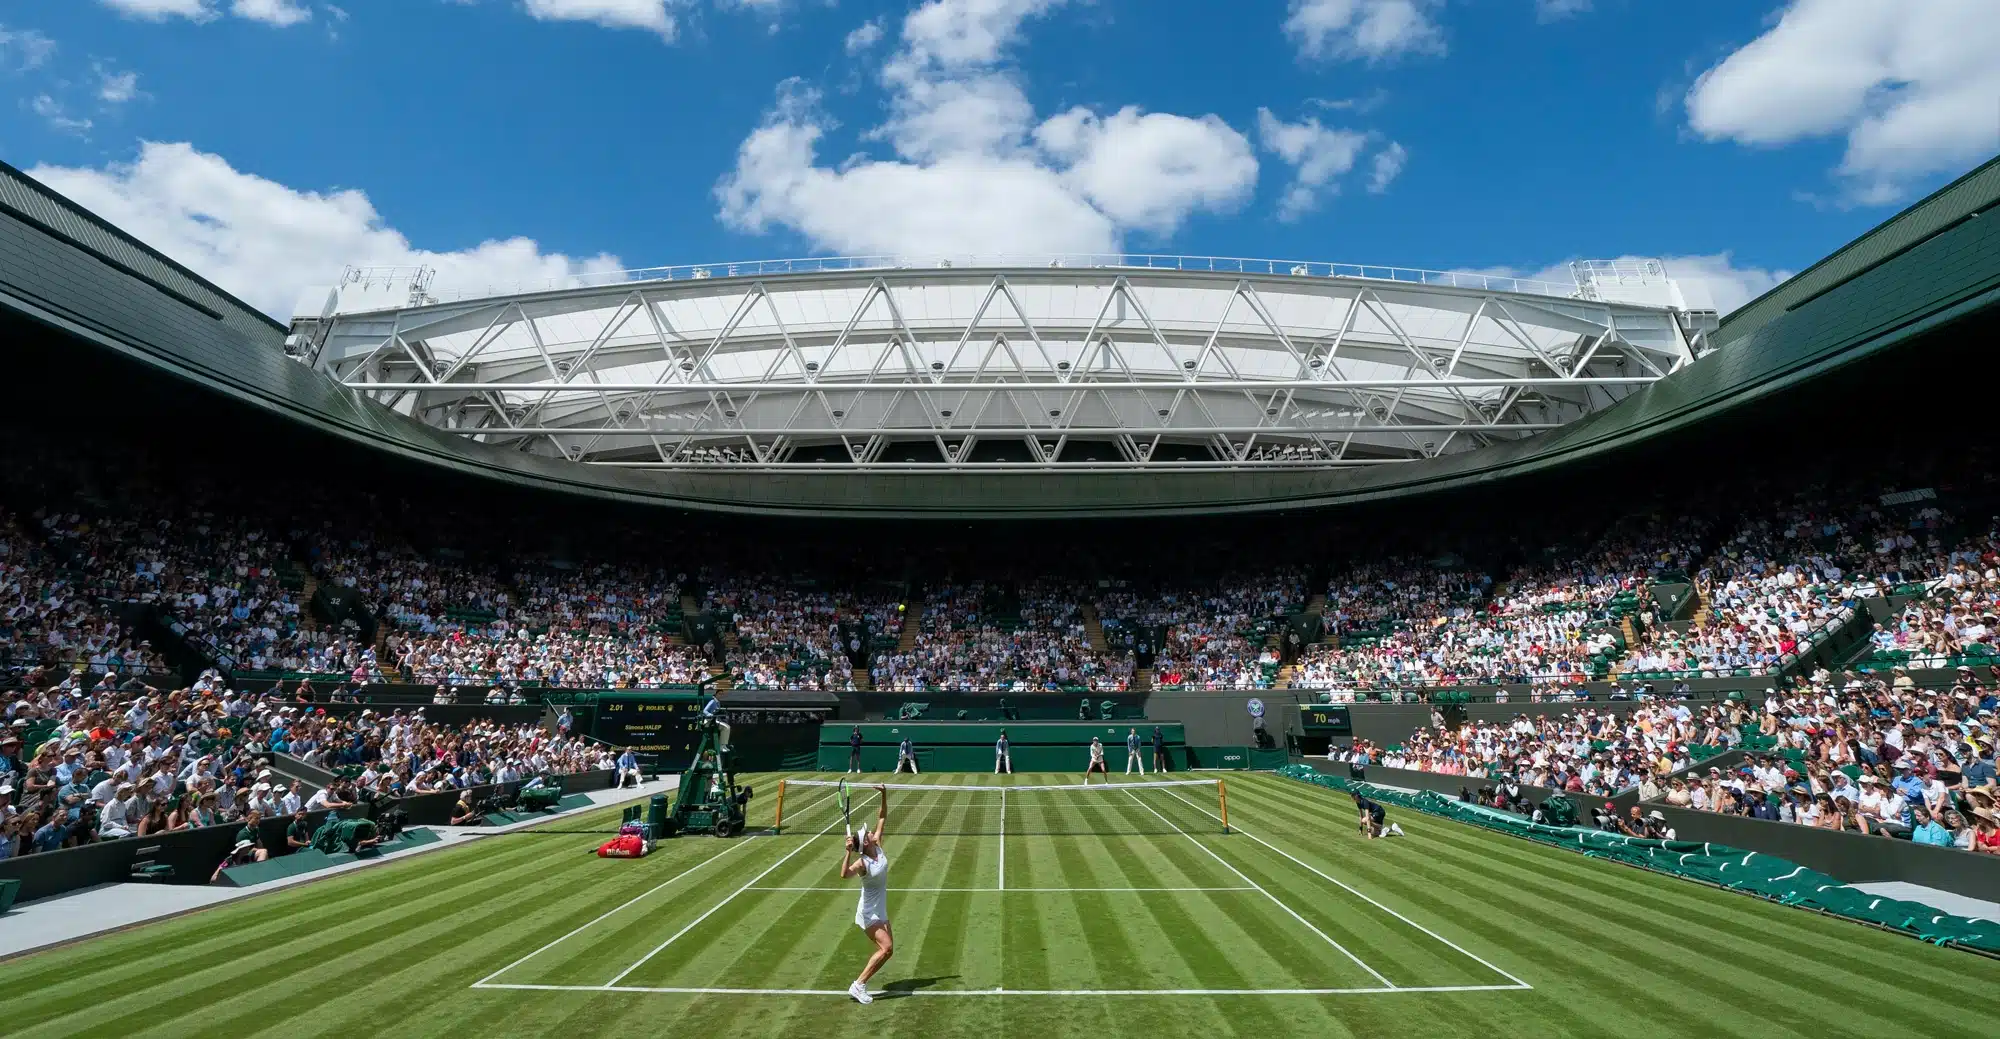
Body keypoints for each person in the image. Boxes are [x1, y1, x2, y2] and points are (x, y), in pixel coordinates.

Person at [839, 785, 893, 1005]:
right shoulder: (862, 862)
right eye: (867, 833)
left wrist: (883, 794)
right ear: (866, 842)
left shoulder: (877, 844)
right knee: (886, 948)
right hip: (869, 913)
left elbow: (882, 816)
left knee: (888, 951)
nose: (871, 831)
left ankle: (860, 984)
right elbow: (844, 875)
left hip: (880, 909)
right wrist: (847, 852)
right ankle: (858, 985)